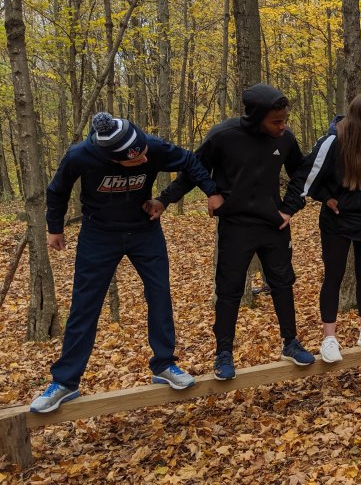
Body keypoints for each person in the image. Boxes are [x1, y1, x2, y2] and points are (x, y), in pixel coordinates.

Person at [30, 113, 222, 413]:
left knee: (159, 294)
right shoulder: (81, 155)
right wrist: (55, 227)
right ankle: (65, 382)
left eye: (145, 151)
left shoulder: (151, 147)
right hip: (98, 234)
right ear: (114, 160)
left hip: (144, 230)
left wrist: (210, 192)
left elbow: (190, 162)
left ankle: (164, 365)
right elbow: (58, 189)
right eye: (136, 159)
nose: (146, 159)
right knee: (85, 305)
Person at [158, 83, 315, 380]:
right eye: (276, 121)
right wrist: (166, 199)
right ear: (257, 117)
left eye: (285, 120)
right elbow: (193, 170)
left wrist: (290, 207)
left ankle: (290, 343)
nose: (283, 126)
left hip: (273, 224)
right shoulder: (223, 136)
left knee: (282, 283)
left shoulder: (286, 139)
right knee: (229, 291)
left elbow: (302, 172)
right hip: (236, 225)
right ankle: (224, 353)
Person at [288, 94, 361, 363]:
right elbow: (308, 177)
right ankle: (329, 338)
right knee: (333, 275)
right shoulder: (333, 142)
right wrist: (323, 198)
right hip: (337, 221)